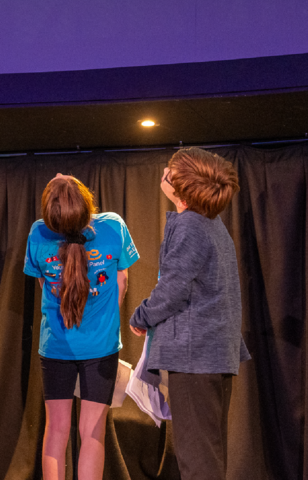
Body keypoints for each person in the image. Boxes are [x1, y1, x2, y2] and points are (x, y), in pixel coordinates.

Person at [129, 147, 250, 480]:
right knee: (206, 455)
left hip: (197, 357)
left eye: (170, 169)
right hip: (210, 355)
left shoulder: (192, 226)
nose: (164, 173)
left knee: (198, 460)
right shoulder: (210, 224)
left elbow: (173, 287)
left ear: (183, 183)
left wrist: (140, 317)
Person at [24, 174, 139, 480]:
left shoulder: (38, 233)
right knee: (92, 434)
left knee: (56, 432)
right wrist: (103, 319)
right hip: (101, 347)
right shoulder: (113, 225)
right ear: (86, 204)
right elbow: (122, 280)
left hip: (56, 347)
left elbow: (42, 284)